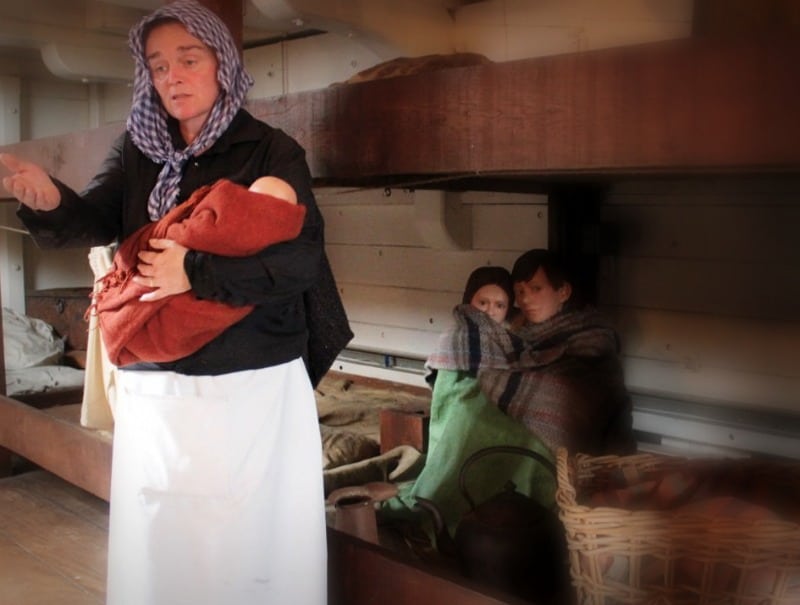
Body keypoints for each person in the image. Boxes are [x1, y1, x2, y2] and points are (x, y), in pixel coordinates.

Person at [1, 1, 346, 603]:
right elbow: (94, 218)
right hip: (159, 387)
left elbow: (299, 264)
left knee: (253, 542)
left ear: (223, 64)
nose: (172, 77)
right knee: (163, 541)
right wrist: (46, 199)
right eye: (158, 66)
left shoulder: (270, 152)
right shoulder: (140, 152)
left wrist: (195, 271)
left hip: (252, 385)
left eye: (188, 59)